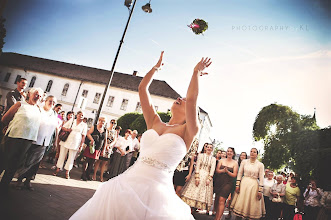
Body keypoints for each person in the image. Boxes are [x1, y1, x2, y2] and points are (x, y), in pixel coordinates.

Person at [69, 52, 211, 219]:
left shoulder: (189, 131)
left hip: (157, 194)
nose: (180, 98)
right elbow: (142, 89)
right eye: (181, 97)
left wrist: (195, 73)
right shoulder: (155, 122)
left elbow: (193, 100)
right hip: (127, 183)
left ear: (190, 112)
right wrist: (155, 69)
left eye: (184, 99)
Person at [0, 87, 43, 192]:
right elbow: (5, 118)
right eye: (36, 94)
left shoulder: (38, 109)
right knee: (3, 160)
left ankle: (3, 186)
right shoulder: (20, 104)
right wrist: (6, 128)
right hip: (13, 137)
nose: (38, 97)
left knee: (14, 164)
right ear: (30, 94)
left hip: (27, 141)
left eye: (40, 96)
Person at [15, 95, 59, 190]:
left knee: (36, 163)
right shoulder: (39, 110)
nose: (52, 104)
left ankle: (28, 181)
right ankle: (19, 180)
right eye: (50, 101)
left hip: (45, 142)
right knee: (28, 161)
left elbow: (56, 128)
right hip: (34, 139)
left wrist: (55, 142)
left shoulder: (54, 114)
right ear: (46, 101)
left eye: (54, 102)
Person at [230, 148, 266, 219]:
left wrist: (260, 190)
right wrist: (237, 185)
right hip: (243, 184)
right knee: (240, 204)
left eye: (254, 152)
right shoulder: (244, 162)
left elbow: (261, 178)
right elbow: (240, 173)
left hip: (254, 186)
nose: (252, 153)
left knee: (251, 205)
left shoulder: (260, 165)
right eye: (251, 151)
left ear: (257, 154)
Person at [181, 143, 217, 212]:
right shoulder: (201, 155)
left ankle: (194, 211)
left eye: (210, 147)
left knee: (201, 194)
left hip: (206, 176)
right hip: (198, 174)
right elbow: (197, 166)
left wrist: (209, 178)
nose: (209, 148)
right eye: (207, 147)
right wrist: (197, 177)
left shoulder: (213, 159)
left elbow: (212, 169)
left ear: (212, 149)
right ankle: (188, 210)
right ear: (205, 148)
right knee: (193, 192)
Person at [54, 111, 87, 179]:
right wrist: (68, 129)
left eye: (82, 115)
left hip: (76, 142)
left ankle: (67, 172)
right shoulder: (72, 121)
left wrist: (81, 145)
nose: (80, 116)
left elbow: (83, 135)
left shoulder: (84, 125)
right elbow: (63, 127)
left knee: (71, 157)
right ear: (77, 115)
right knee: (62, 155)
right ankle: (58, 169)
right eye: (79, 114)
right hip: (67, 140)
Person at [214, 147, 238, 220]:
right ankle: (216, 217)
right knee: (217, 199)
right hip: (219, 181)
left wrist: (227, 172)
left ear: (233, 153)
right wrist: (223, 171)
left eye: (231, 151)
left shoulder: (235, 163)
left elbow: (234, 175)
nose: (229, 152)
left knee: (222, 200)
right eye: (228, 151)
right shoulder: (221, 160)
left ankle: (218, 218)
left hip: (228, 183)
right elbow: (217, 170)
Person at [81, 117, 107, 181]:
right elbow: (88, 134)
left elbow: (105, 140)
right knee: (86, 160)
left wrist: (103, 150)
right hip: (91, 146)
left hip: (98, 148)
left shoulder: (105, 130)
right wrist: (92, 139)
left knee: (92, 162)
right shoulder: (94, 127)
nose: (102, 122)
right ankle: (83, 174)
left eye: (104, 121)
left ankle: (88, 174)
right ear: (99, 121)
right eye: (101, 121)